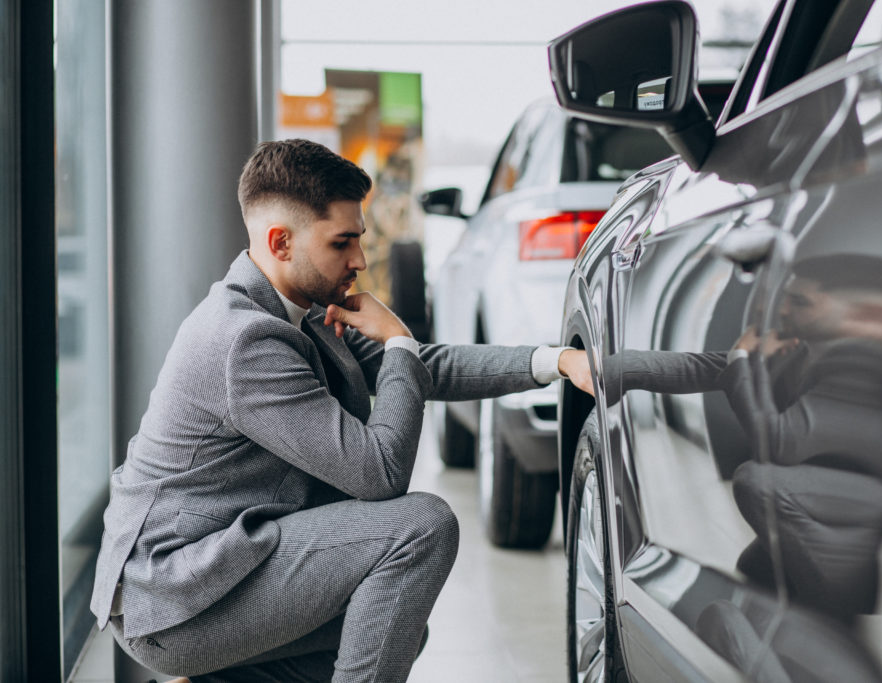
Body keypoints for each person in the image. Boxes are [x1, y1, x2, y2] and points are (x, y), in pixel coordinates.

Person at [90, 139, 575, 682]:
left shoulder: (305, 310)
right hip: (179, 600)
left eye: (359, 240)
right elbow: (380, 474)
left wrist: (554, 360)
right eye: (342, 243)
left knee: (392, 623)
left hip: (221, 565)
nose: (360, 261)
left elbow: (422, 365)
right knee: (420, 527)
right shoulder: (244, 340)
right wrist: (397, 342)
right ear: (280, 242)